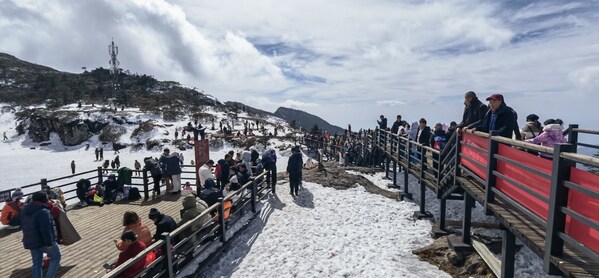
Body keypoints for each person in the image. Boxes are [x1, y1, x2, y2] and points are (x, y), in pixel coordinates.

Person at [21, 191, 62, 278]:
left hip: (31, 240)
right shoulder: (43, 212)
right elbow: (46, 229)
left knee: (37, 263)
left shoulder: (25, 210)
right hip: (43, 241)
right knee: (56, 257)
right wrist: (49, 243)